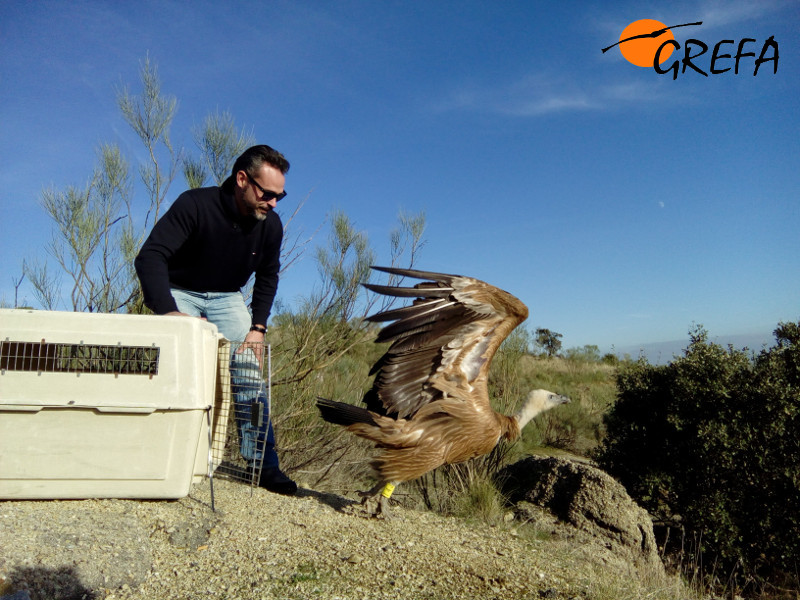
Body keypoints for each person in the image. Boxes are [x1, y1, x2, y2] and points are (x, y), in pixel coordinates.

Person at [134, 144, 296, 495]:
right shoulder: (195, 204)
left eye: (279, 196)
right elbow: (151, 256)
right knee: (181, 370)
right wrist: (169, 312)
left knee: (248, 370)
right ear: (242, 179)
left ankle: (262, 465)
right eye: (267, 194)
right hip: (181, 291)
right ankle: (166, 458)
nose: (273, 203)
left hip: (227, 296)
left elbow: (268, 277)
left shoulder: (271, 226)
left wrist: (258, 327)